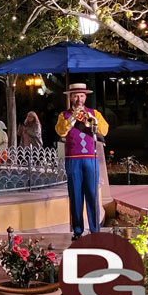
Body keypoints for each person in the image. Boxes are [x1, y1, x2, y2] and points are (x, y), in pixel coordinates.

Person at [55, 83, 109, 240]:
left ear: (86, 97)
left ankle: (95, 231)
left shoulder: (94, 113)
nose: (79, 99)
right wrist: (73, 117)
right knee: (76, 195)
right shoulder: (63, 115)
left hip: (91, 159)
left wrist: (92, 120)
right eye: (76, 95)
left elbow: (104, 130)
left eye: (82, 95)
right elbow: (61, 131)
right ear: (71, 97)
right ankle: (77, 231)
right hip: (73, 159)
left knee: (92, 195)